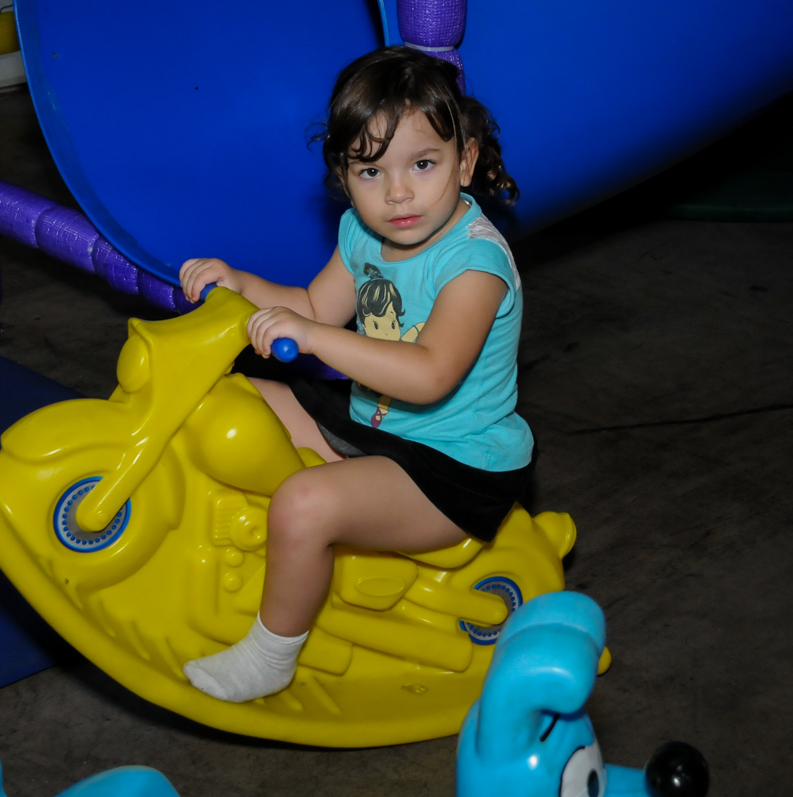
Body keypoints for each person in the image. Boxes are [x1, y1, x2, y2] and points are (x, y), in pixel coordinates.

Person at [178, 46, 534, 703]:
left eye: (422, 165)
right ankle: (274, 552)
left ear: (467, 161)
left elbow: (428, 374)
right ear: (345, 176)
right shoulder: (362, 235)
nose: (397, 193)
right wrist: (241, 283)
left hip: (455, 465)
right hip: (376, 421)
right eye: (371, 171)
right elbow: (314, 306)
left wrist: (314, 338)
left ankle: (270, 653)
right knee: (227, 399)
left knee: (304, 502)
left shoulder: (474, 265)